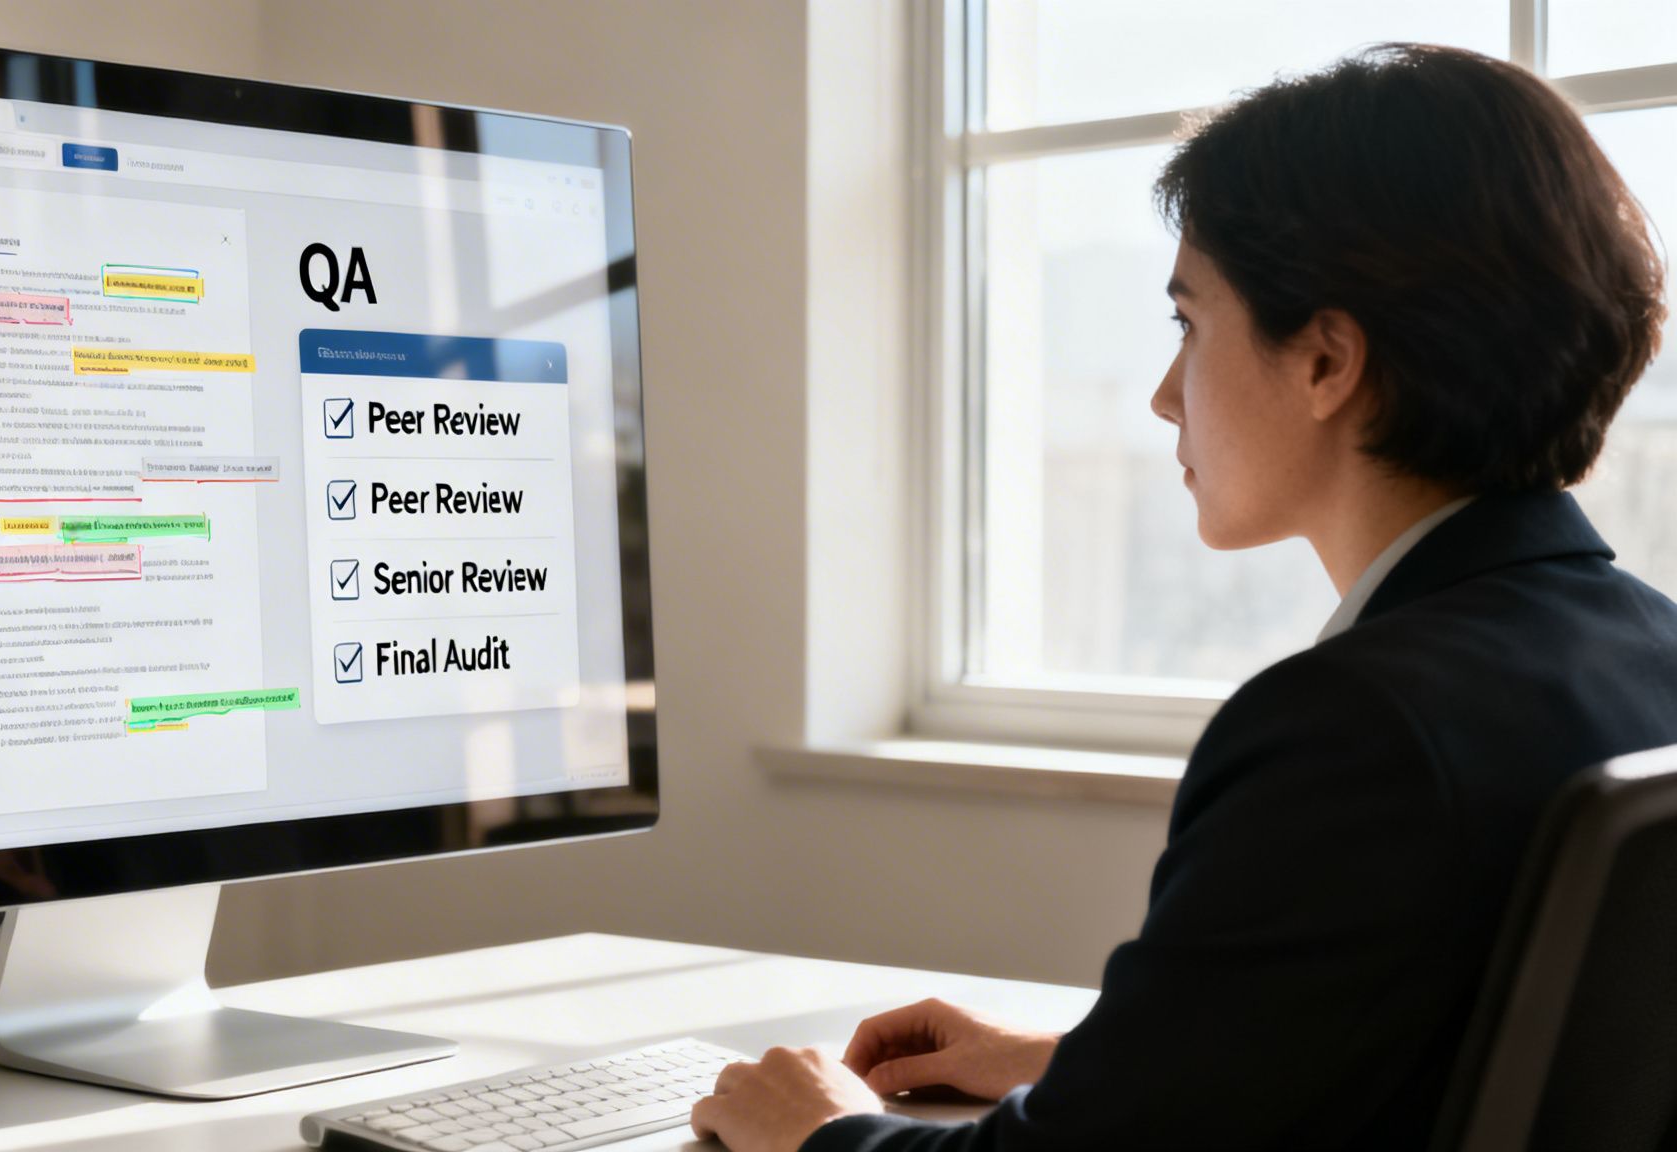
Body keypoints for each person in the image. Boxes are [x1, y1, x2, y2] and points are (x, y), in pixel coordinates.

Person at [690, 43, 1677, 1151]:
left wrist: (819, 1129)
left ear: (1324, 360)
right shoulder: (1653, 652)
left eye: (1187, 323)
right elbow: (1448, 1052)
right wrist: (1092, 1059)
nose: (1164, 397)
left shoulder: (1350, 731)